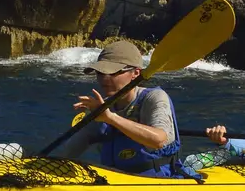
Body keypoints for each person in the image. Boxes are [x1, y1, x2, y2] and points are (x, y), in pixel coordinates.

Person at [66, 38, 189, 177]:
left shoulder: (154, 98)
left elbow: (159, 141)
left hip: (159, 184)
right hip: (113, 184)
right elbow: (69, 152)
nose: (104, 78)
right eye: (100, 72)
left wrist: (111, 118)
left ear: (136, 73)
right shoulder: (101, 108)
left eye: (113, 72)